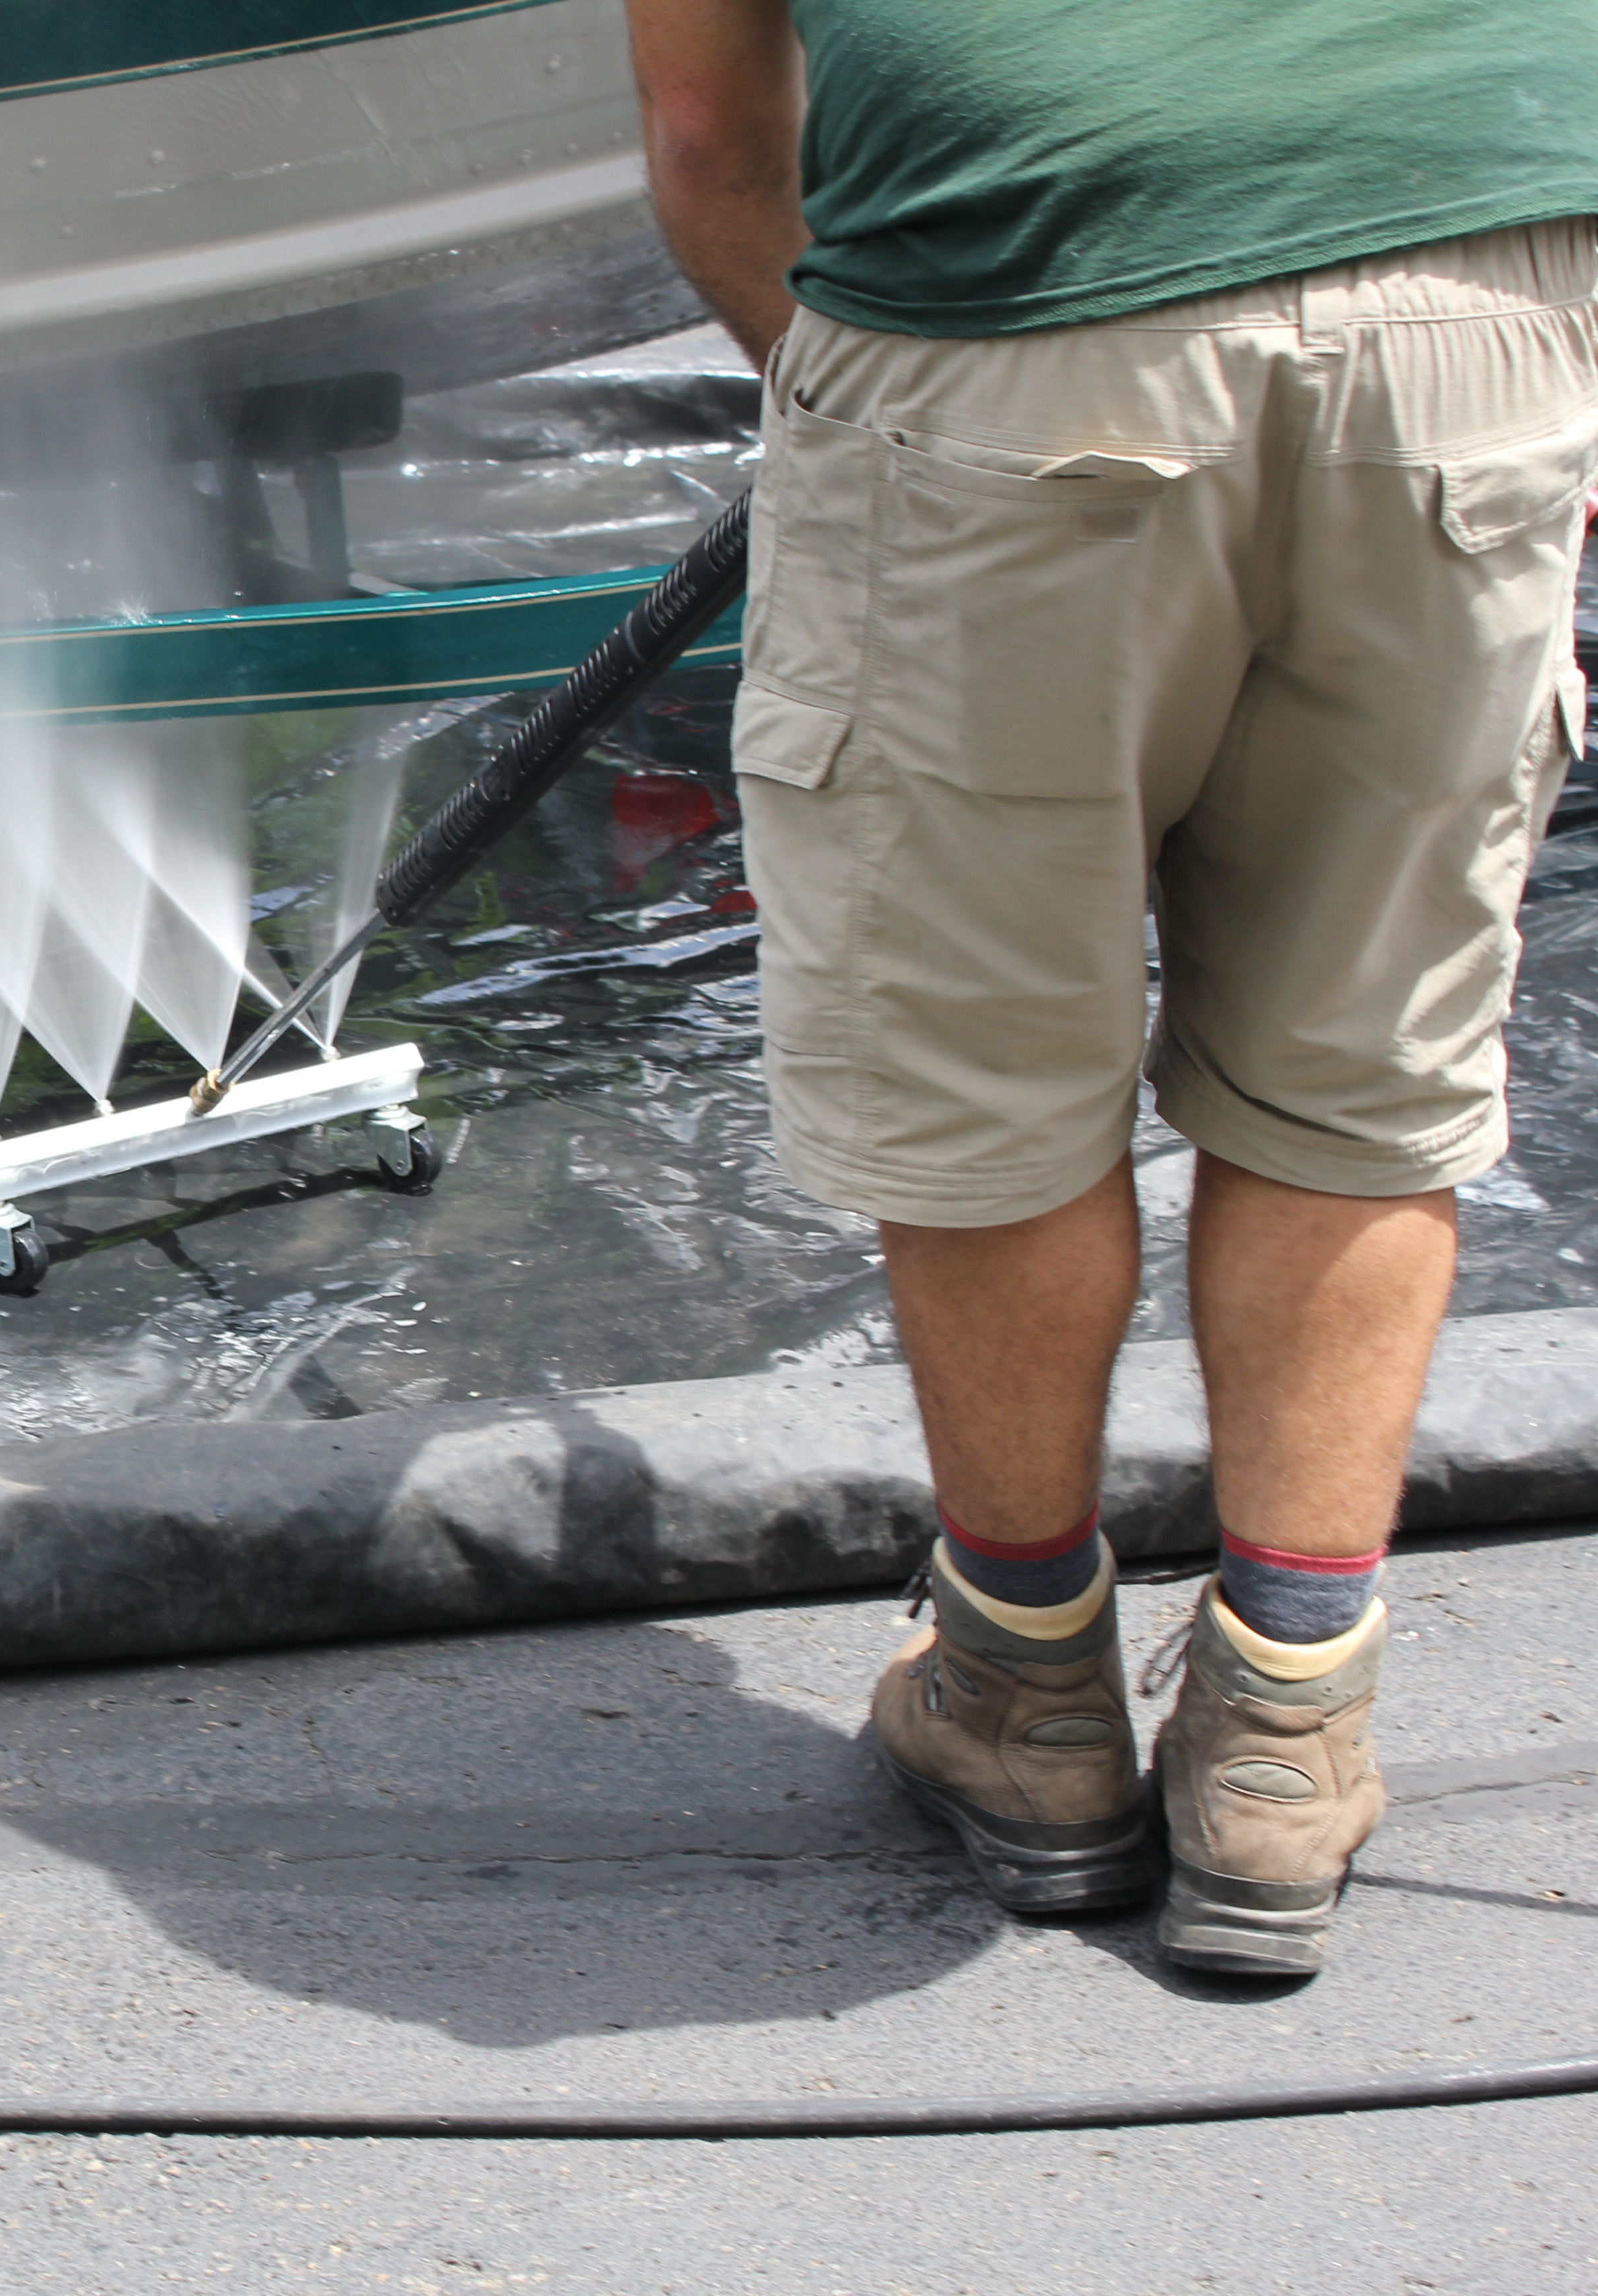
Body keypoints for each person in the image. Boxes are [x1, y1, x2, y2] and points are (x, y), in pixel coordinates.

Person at [623, 0, 1598, 1975]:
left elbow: (719, 143)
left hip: (1016, 307)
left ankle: (1024, 1695)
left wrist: (851, 430)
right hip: (1482, 300)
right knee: (1362, 1055)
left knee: (977, 1061)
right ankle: (1285, 1740)